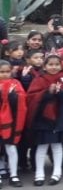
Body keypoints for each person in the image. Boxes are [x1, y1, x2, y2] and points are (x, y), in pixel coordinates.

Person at [26, 55, 63, 186]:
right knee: (41, 147)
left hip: (60, 118)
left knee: (57, 146)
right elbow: (31, 97)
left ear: (61, 66)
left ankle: (56, 173)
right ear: (44, 66)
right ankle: (39, 174)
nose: (54, 67)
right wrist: (47, 92)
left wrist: (60, 93)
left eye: (56, 65)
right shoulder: (39, 79)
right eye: (50, 65)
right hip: (43, 118)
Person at [0, 59, 27, 188]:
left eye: (7, 72)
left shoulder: (16, 83)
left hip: (12, 121)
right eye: (1, 72)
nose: (5, 74)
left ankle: (14, 174)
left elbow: (22, 98)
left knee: (11, 147)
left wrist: (13, 96)